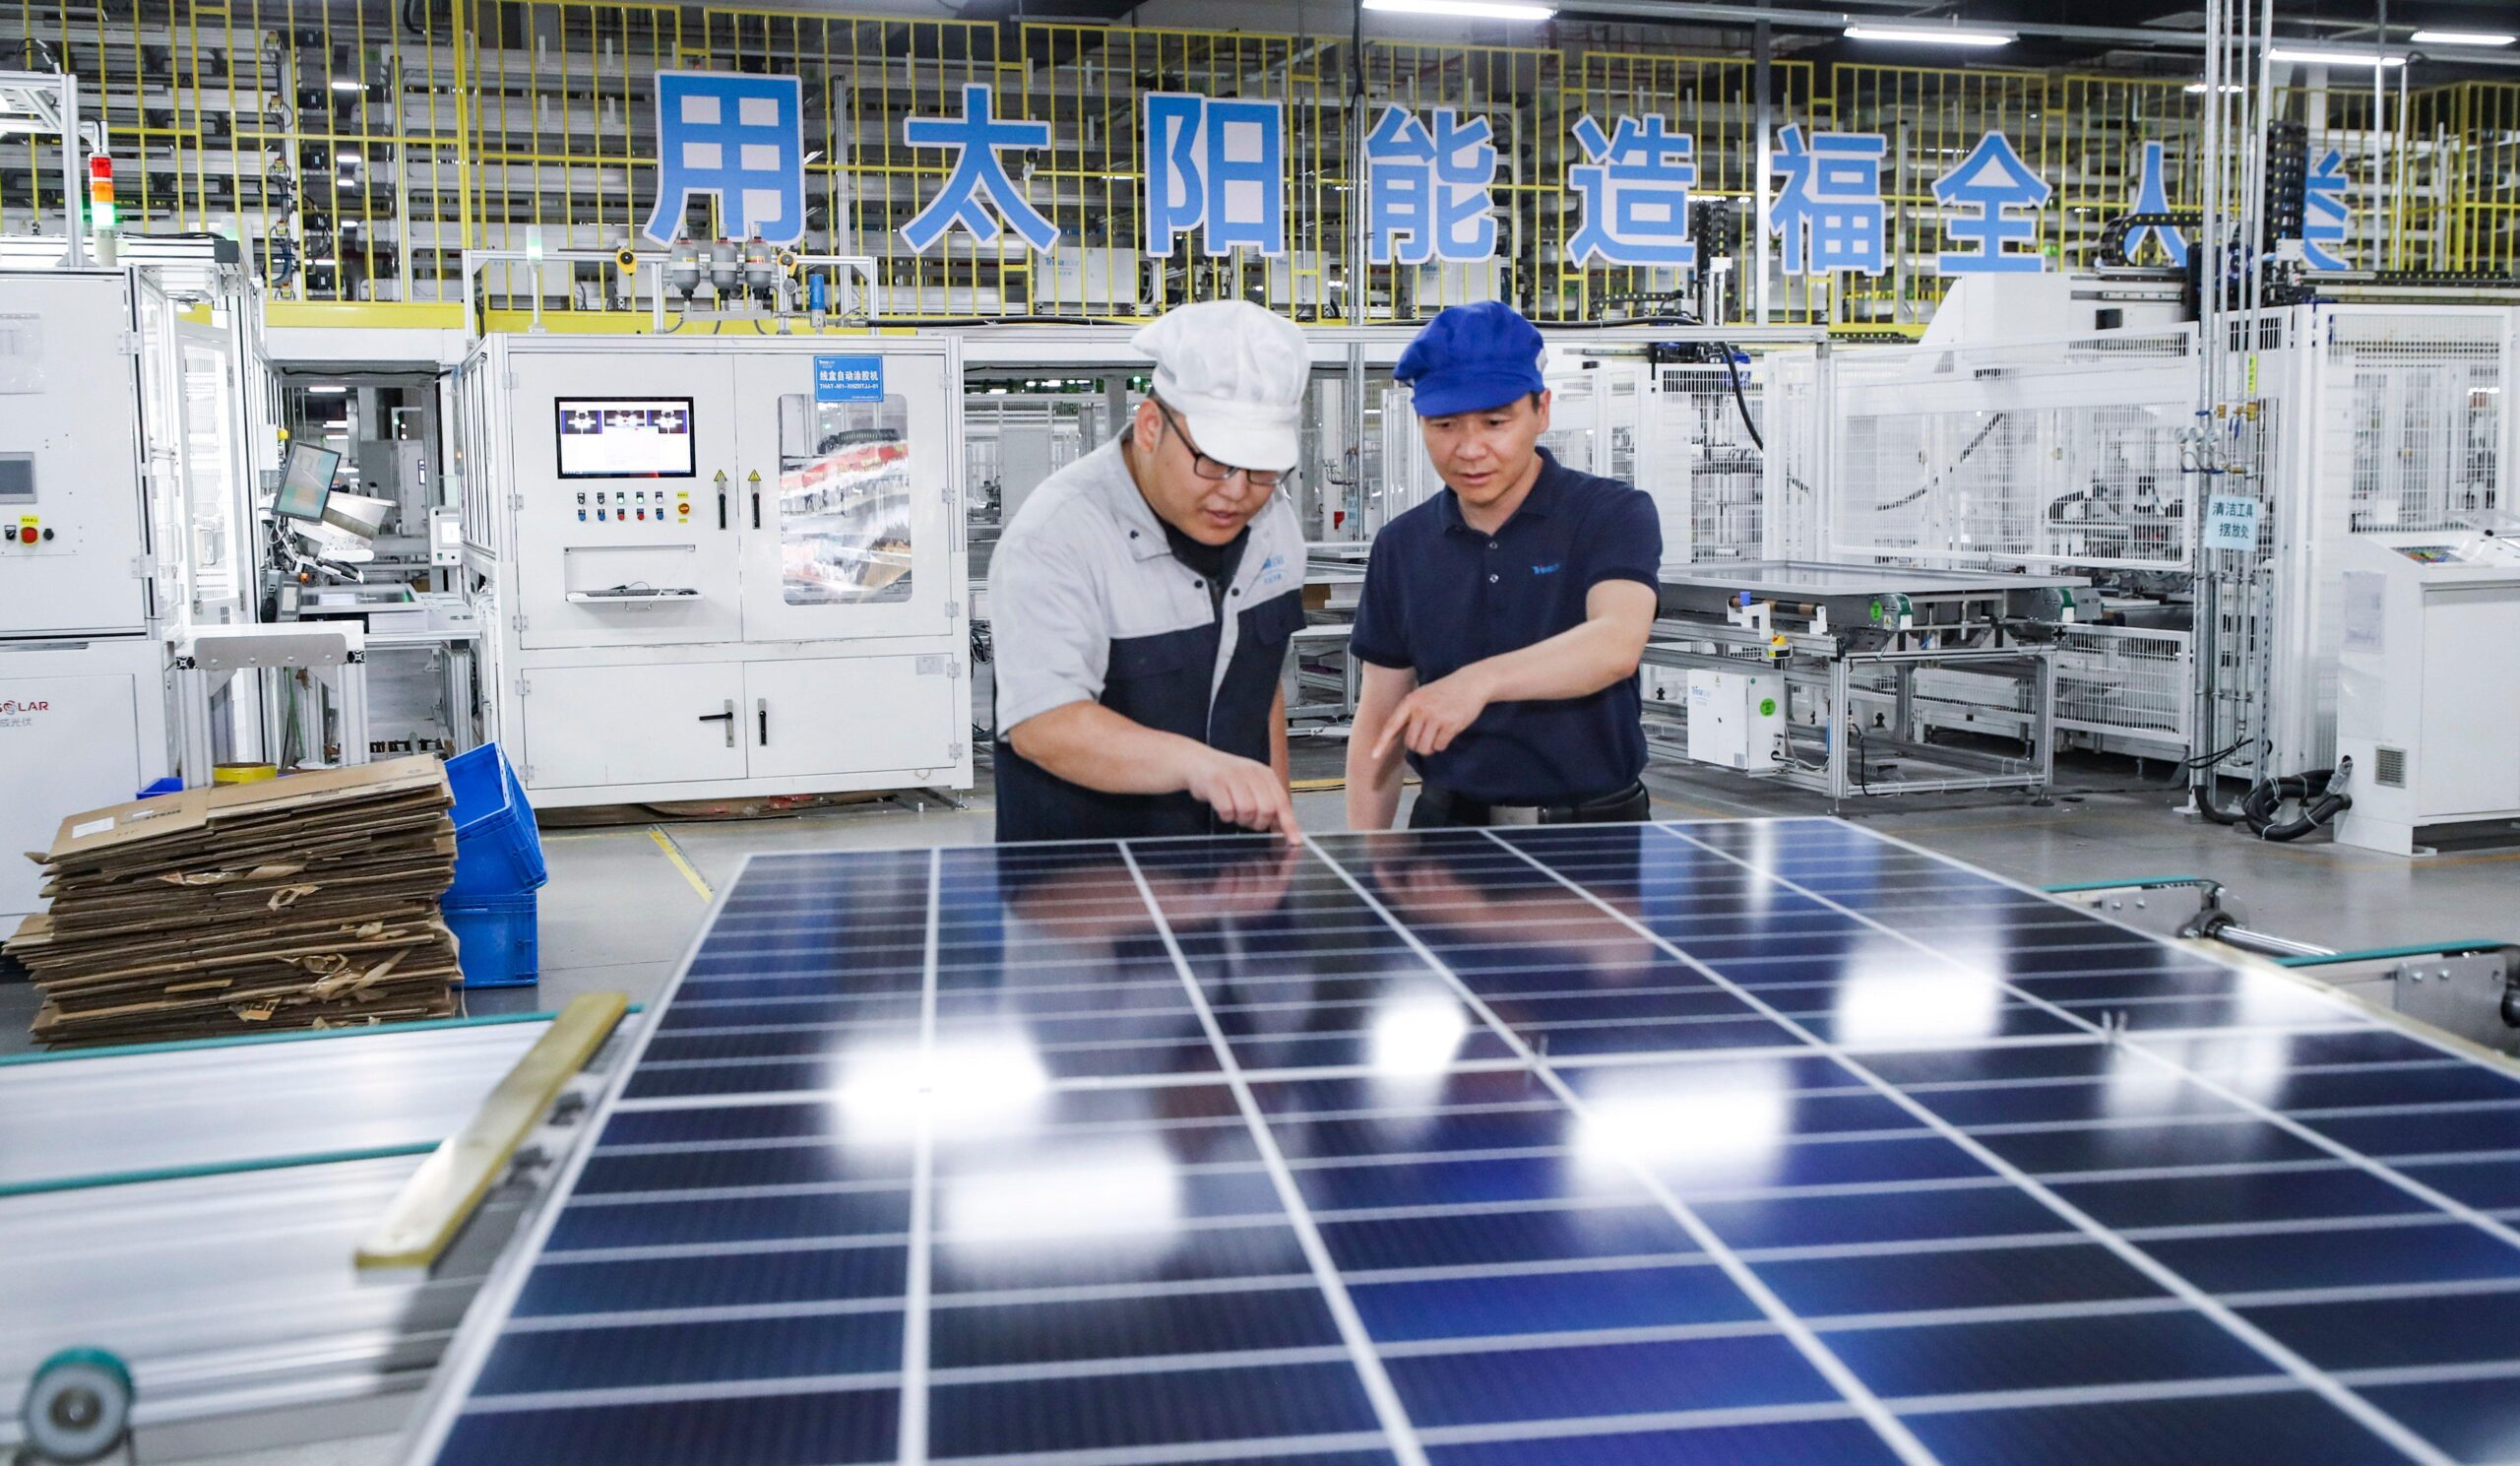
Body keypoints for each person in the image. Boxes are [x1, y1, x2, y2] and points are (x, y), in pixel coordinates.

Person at [991, 299, 1311, 844]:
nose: (1236, 492)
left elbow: (1261, 685)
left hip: (1234, 879)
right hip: (1086, 891)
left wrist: (1278, 824)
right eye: (1213, 460)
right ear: (1149, 427)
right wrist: (1200, 766)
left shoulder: (1273, 521)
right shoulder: (1057, 537)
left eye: (1262, 470)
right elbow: (1046, 726)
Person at [1345, 301, 1663, 830]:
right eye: (1444, 424)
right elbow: (1381, 724)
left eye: (1495, 422)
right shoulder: (1401, 546)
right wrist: (1361, 865)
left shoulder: (1609, 514)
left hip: (1598, 836)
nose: (1469, 449)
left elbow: (1615, 644)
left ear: (1542, 410)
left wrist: (1477, 682)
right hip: (1449, 838)